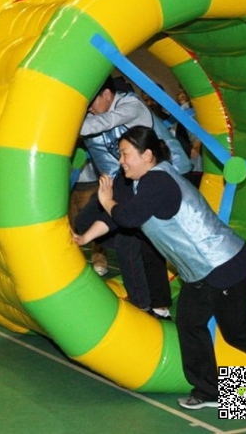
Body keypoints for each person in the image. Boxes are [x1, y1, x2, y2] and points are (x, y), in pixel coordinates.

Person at [73, 125, 246, 409]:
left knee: (238, 331)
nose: (121, 160)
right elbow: (116, 217)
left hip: (224, 264)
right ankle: (209, 390)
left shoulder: (158, 181)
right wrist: (84, 237)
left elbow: (128, 217)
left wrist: (106, 200)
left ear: (148, 155)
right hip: (200, 271)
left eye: (126, 153)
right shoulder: (141, 183)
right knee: (189, 323)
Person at [76, 76, 192, 318]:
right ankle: (148, 298)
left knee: (137, 243)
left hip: (164, 174)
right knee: (88, 222)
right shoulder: (96, 115)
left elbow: (99, 124)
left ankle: (151, 305)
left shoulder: (131, 105)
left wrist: (66, 118)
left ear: (107, 94)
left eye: (91, 102)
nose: (89, 109)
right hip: (127, 181)